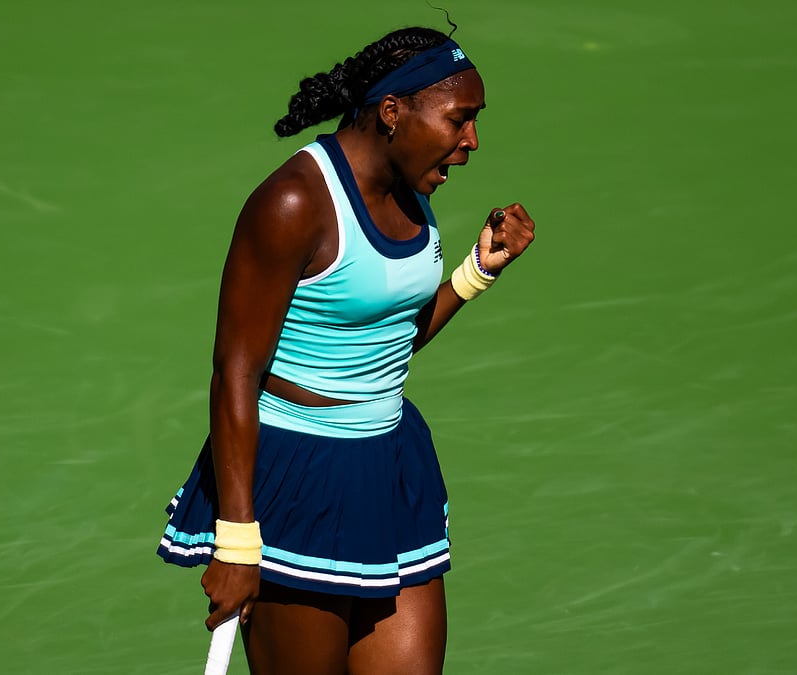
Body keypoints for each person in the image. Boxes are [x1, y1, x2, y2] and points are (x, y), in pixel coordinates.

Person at [155, 25, 535, 674]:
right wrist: (239, 539)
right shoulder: (294, 202)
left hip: (390, 467)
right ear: (393, 113)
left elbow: (389, 341)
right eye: (459, 119)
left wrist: (477, 270)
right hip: (297, 482)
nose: (471, 141)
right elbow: (235, 373)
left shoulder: (414, 193)